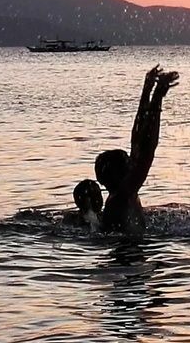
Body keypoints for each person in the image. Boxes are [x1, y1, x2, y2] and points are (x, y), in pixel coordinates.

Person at [73, 64, 179, 239]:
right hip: (130, 258)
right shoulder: (122, 197)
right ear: (119, 174)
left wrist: (147, 91)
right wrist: (157, 98)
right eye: (128, 162)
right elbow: (147, 150)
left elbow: (137, 140)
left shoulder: (118, 196)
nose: (132, 161)